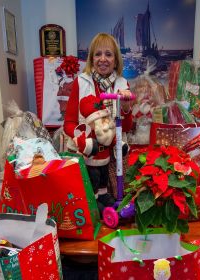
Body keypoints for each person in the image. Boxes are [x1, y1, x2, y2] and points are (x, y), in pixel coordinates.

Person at [64, 33, 133, 212]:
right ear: (91, 58)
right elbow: (69, 122)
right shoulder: (81, 82)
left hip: (113, 158)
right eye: (98, 54)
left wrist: (126, 107)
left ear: (116, 60)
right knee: (90, 207)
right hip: (87, 154)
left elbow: (125, 128)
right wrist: (83, 141)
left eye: (109, 54)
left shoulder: (122, 84)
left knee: (113, 204)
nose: (103, 59)